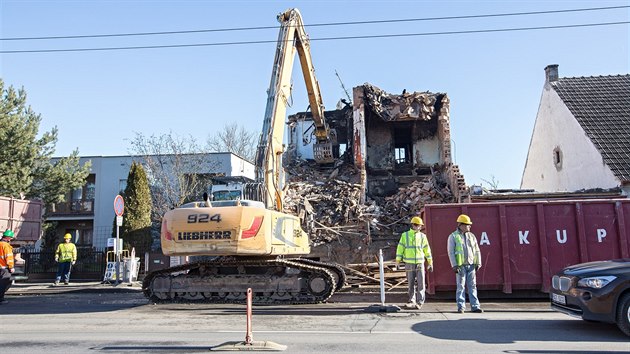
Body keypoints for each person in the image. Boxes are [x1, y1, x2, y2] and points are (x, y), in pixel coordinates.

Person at [447, 214, 483, 314]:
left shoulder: (472, 236)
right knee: (461, 286)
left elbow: (477, 250)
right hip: (460, 266)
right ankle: (461, 307)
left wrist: (478, 263)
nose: (469, 226)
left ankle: (475, 306)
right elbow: (451, 252)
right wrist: (454, 265)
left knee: (472, 286)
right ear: (461, 225)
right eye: (468, 225)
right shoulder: (453, 236)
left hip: (471, 265)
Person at [395, 216, 433, 309]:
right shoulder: (405, 235)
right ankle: (411, 300)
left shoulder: (422, 236)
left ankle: (420, 302)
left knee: (421, 283)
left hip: (420, 263)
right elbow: (400, 248)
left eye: (420, 226)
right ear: (413, 225)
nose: (419, 227)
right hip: (409, 263)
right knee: (410, 283)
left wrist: (430, 262)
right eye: (418, 225)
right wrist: (397, 261)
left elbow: (427, 250)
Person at [0, 229, 16, 304]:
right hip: (4, 268)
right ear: (8, 238)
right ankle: (1, 299)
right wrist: (11, 267)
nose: (11, 240)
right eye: (11, 238)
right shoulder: (6, 246)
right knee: (3, 283)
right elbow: (8, 257)